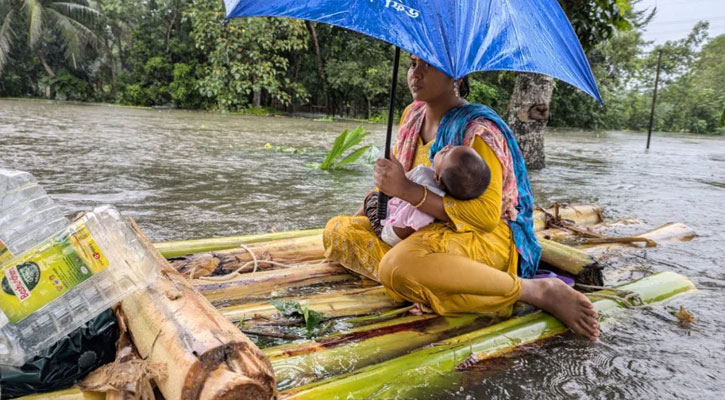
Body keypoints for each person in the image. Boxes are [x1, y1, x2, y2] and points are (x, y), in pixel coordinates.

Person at [323, 55, 599, 340]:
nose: (415, 74)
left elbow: (485, 217)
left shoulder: (478, 131)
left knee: (397, 267)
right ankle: (433, 286)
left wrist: (406, 190)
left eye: (428, 65)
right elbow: (394, 193)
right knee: (338, 230)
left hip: (477, 237)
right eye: (412, 64)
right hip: (418, 230)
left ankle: (531, 290)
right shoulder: (411, 116)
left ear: (456, 77)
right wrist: (372, 207)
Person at [368, 145, 491, 247]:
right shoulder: (443, 192)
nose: (447, 146)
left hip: (388, 233)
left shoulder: (429, 207)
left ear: (438, 178)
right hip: (396, 213)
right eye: (453, 146)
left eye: (445, 153)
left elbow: (399, 233)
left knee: (371, 198)